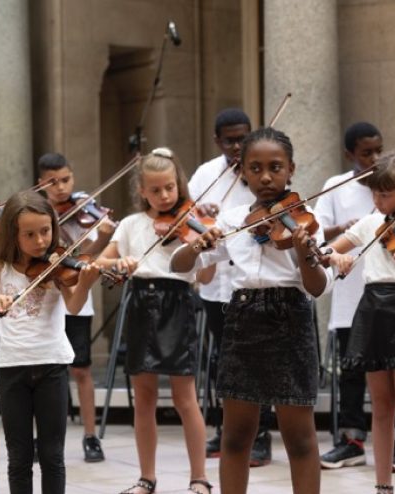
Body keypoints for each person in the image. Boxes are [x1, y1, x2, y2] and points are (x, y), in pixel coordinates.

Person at [171, 127, 331, 494]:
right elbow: (180, 266)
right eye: (255, 168)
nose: (265, 176)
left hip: (290, 319)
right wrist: (196, 246)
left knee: (300, 438)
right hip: (243, 320)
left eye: (275, 167)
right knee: (235, 437)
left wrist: (304, 252)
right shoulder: (232, 220)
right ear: (242, 171)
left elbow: (316, 286)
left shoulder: (306, 219)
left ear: (291, 169)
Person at [96, 148, 211, 494]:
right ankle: (147, 477)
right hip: (142, 304)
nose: (164, 196)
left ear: (179, 186)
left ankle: (199, 478)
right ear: (142, 191)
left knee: (185, 398)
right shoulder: (131, 225)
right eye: (156, 190)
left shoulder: (192, 223)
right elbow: (100, 262)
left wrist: (205, 246)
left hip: (178, 303)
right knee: (143, 399)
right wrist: (121, 264)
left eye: (170, 188)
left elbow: (205, 279)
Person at [325, 152, 395, 494]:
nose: (378, 201)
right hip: (372, 310)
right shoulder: (371, 222)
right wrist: (337, 256)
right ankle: (382, 485)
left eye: (385, 194)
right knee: (380, 406)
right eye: (375, 194)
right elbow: (328, 251)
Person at [0, 190, 100, 494]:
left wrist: (85, 282)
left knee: (53, 456)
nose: (40, 241)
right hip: (13, 368)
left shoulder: (57, 268)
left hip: (52, 366)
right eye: (29, 234)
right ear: (13, 235)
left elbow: (73, 306)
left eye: (45, 231)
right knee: (18, 457)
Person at [188, 108, 274, 466]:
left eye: (243, 137)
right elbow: (186, 218)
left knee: (258, 361)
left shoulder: (261, 168)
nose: (237, 146)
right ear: (217, 141)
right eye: (230, 140)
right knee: (224, 360)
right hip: (217, 284)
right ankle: (228, 430)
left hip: (255, 283)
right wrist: (200, 213)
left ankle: (262, 435)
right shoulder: (206, 174)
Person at [37, 152, 115, 462]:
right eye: (53, 182)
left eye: (66, 180)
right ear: (42, 182)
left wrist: (105, 235)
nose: (61, 188)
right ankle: (41, 437)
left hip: (76, 303)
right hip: (43, 303)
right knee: (41, 371)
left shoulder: (84, 208)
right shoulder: (37, 211)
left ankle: (90, 436)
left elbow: (90, 253)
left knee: (81, 369)